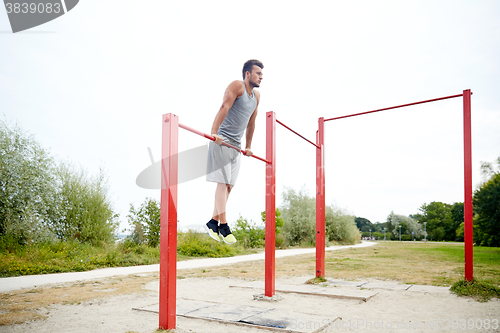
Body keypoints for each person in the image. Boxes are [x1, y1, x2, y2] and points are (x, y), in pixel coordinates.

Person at [204, 59, 264, 244]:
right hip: (222, 141)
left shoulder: (257, 96)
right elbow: (224, 107)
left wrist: (248, 146)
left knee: (229, 185)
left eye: (262, 74)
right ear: (248, 74)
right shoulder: (237, 86)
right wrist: (214, 133)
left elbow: (251, 122)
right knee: (223, 183)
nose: (261, 77)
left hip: (236, 146)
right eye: (258, 73)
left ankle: (213, 222)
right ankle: (224, 225)